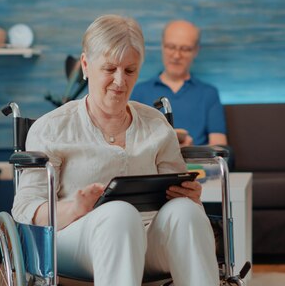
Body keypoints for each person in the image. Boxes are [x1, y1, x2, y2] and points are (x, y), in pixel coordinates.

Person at [12, 15, 219, 285]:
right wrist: (74, 207)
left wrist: (190, 195)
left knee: (187, 212)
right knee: (119, 214)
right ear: (86, 65)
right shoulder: (52, 127)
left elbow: (178, 197)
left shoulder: (156, 125)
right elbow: (25, 208)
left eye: (130, 71)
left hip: (148, 242)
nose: (120, 82)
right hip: (75, 240)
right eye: (109, 69)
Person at [131, 20, 227, 147]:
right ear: (162, 46)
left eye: (185, 49)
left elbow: (219, 147)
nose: (176, 55)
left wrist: (191, 150)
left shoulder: (209, 93)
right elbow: (129, 142)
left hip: (195, 165)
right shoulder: (139, 92)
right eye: (171, 47)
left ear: (196, 51)